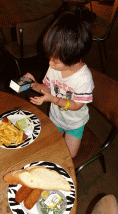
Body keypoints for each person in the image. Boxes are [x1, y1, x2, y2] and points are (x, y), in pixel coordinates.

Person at [24, 11, 94, 158]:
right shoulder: (55, 66)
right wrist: (34, 84)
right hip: (56, 116)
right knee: (49, 145)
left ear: (73, 57)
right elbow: (48, 89)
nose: (50, 63)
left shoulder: (83, 79)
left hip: (74, 123)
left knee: (68, 155)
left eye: (55, 60)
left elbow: (76, 105)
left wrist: (53, 99)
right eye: (50, 57)